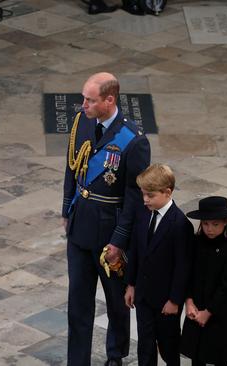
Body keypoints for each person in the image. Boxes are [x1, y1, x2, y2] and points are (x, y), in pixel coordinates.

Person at [62, 72, 150, 366]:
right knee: (78, 304)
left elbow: (134, 198)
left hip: (109, 232)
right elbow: (71, 169)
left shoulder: (134, 142)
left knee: (115, 302)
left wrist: (119, 240)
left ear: (109, 100)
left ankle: (116, 355)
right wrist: (66, 210)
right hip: (80, 227)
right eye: (84, 98)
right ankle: (77, 360)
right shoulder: (82, 123)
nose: (83, 104)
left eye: (90, 100)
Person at [124, 164, 193, 366]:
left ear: (167, 192)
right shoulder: (144, 213)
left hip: (166, 301)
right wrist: (131, 284)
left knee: (168, 345)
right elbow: (135, 250)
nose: (145, 200)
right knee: (145, 345)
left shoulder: (180, 224)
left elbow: (183, 266)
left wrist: (174, 300)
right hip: (144, 295)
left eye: (150, 195)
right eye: (143, 194)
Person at [181, 196, 227, 366]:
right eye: (206, 224)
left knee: (219, 355)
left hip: (220, 310)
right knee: (197, 353)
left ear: (225, 222)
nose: (209, 229)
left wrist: (208, 312)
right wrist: (189, 301)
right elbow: (188, 274)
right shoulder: (195, 243)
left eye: (215, 224)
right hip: (197, 304)